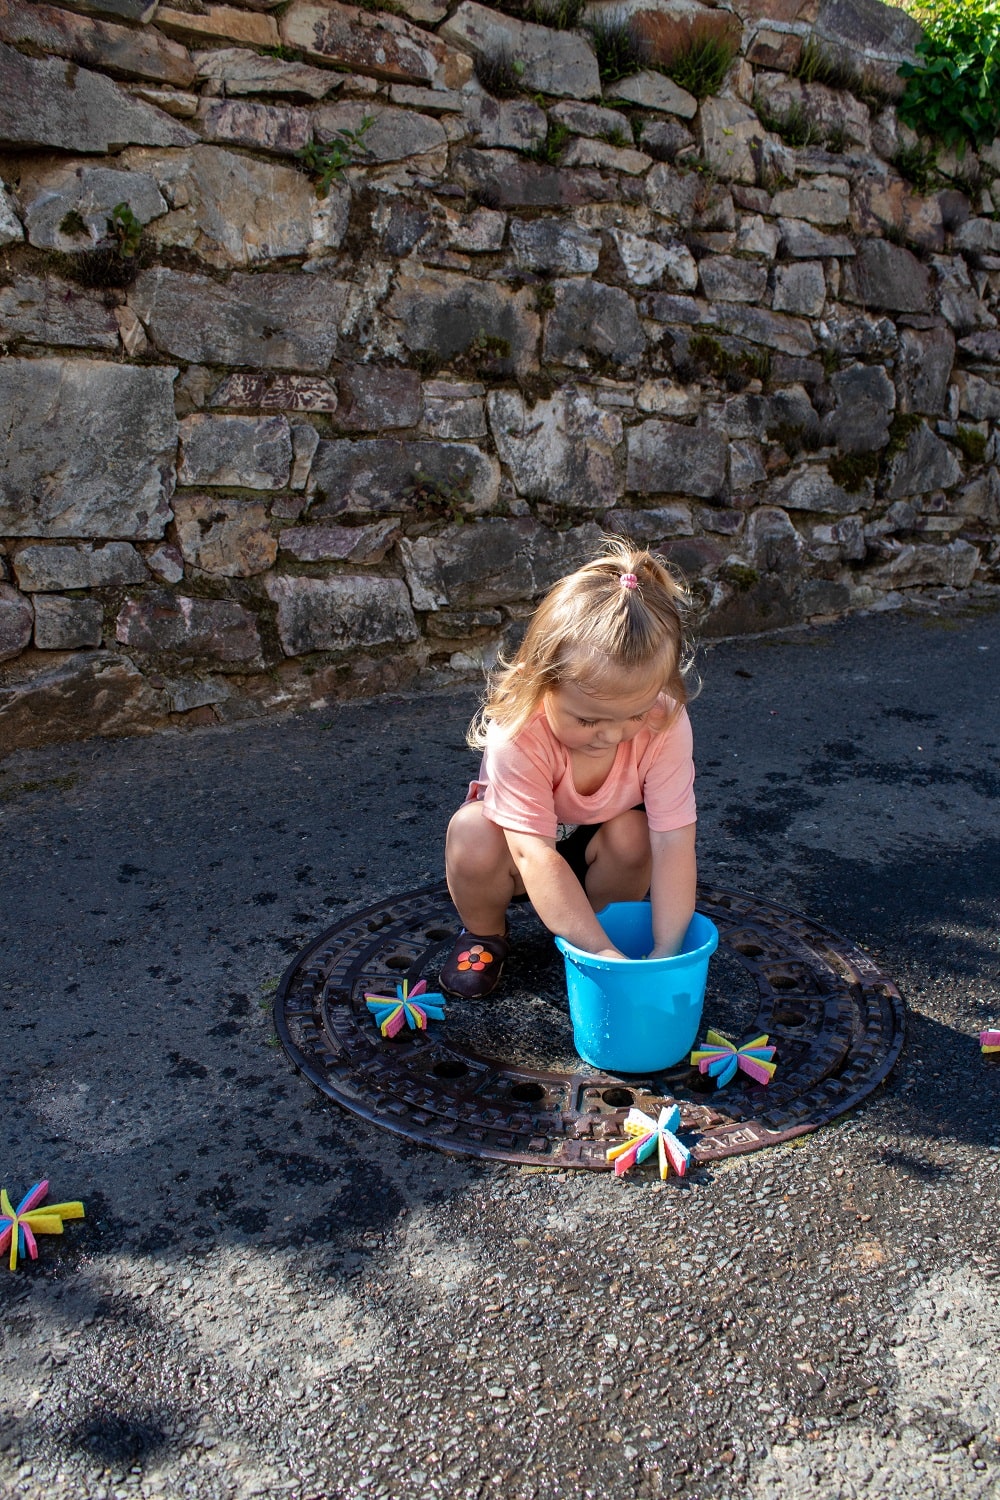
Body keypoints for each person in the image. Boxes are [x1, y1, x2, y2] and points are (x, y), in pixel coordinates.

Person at [440, 537, 698, 999]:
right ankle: (484, 936)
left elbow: (675, 839)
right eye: (588, 719)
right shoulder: (519, 729)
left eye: (633, 715)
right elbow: (533, 855)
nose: (612, 735)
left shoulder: (666, 719)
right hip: (518, 854)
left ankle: (590, 931)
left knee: (635, 836)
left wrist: (667, 948)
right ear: (540, 684)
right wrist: (609, 958)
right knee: (470, 833)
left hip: (598, 856)